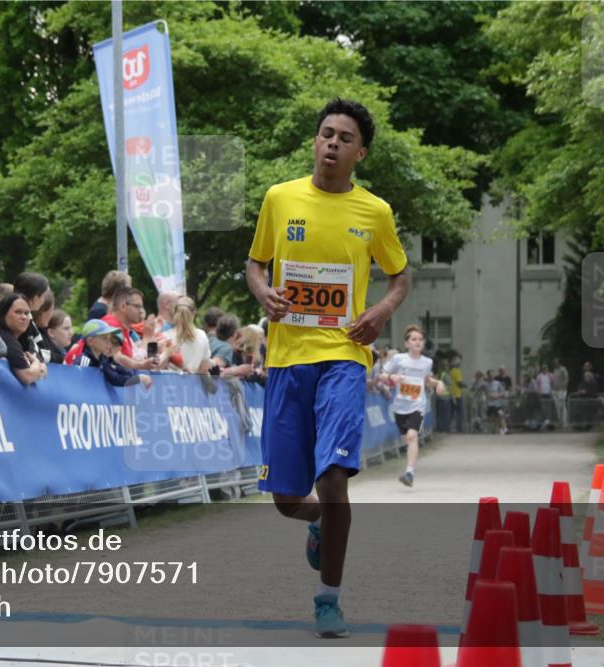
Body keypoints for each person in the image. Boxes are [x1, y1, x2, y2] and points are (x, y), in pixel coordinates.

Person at [245, 98, 410, 638]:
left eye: (345, 137)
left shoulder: (375, 212)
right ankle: (319, 523)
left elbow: (400, 276)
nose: (333, 143)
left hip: (343, 356)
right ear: (315, 142)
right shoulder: (280, 197)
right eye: (326, 133)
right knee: (286, 500)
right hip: (287, 360)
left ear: (360, 153)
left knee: (334, 479)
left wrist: (380, 312)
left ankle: (328, 599)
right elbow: (255, 263)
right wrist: (263, 292)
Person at [379, 325, 444, 487]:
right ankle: (409, 462)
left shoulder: (427, 362)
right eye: (414, 339)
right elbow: (382, 375)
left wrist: (438, 383)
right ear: (406, 343)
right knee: (405, 438)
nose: (418, 342)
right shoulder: (398, 359)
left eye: (421, 339)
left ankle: (409, 473)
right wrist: (392, 377)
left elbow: (426, 380)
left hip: (418, 404)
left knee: (411, 436)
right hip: (400, 406)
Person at [74, 319, 152, 388]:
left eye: (108, 339)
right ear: (90, 341)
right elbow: (79, 387)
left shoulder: (103, 359)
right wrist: (139, 378)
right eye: (104, 338)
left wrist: (139, 376)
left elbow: (116, 376)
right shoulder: (84, 362)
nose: (109, 343)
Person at [0, 293, 48, 385]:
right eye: (18, 312)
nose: (24, 317)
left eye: (27, 313)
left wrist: (38, 367)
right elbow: (27, 376)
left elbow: (43, 368)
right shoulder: (3, 338)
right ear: (3, 314)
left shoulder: (25, 339)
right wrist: (36, 363)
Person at [163, 296, 213, 374]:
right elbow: (204, 369)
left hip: (170, 381)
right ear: (194, 312)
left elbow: (160, 366)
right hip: (193, 381)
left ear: (175, 312)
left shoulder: (165, 337)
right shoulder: (202, 335)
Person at [449, 354, 466, 433]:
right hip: (457, 395)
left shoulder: (450, 371)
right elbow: (459, 383)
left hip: (451, 394)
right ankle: (459, 428)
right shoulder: (457, 371)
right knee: (459, 412)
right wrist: (465, 385)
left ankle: (450, 427)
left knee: (452, 412)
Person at [552, 358, 569, 429]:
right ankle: (560, 422)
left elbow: (566, 378)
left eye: (556, 362)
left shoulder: (563, 369)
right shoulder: (555, 370)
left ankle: (565, 423)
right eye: (554, 362)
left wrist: (564, 387)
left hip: (561, 390)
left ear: (559, 362)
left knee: (562, 406)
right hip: (555, 390)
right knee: (557, 407)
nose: (555, 363)